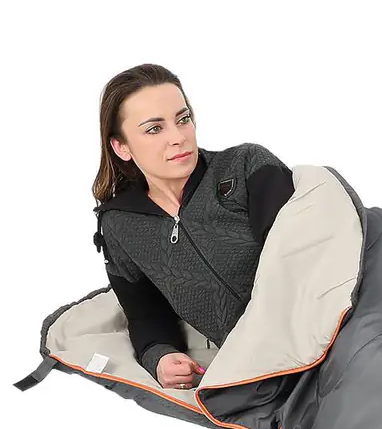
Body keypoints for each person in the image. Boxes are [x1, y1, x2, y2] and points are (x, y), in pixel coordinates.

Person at [91, 63, 295, 389]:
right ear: (121, 147)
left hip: (332, 326)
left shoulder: (245, 167)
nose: (179, 138)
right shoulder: (120, 225)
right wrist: (160, 357)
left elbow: (304, 260)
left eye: (183, 119)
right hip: (261, 368)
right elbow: (145, 314)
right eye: (154, 129)